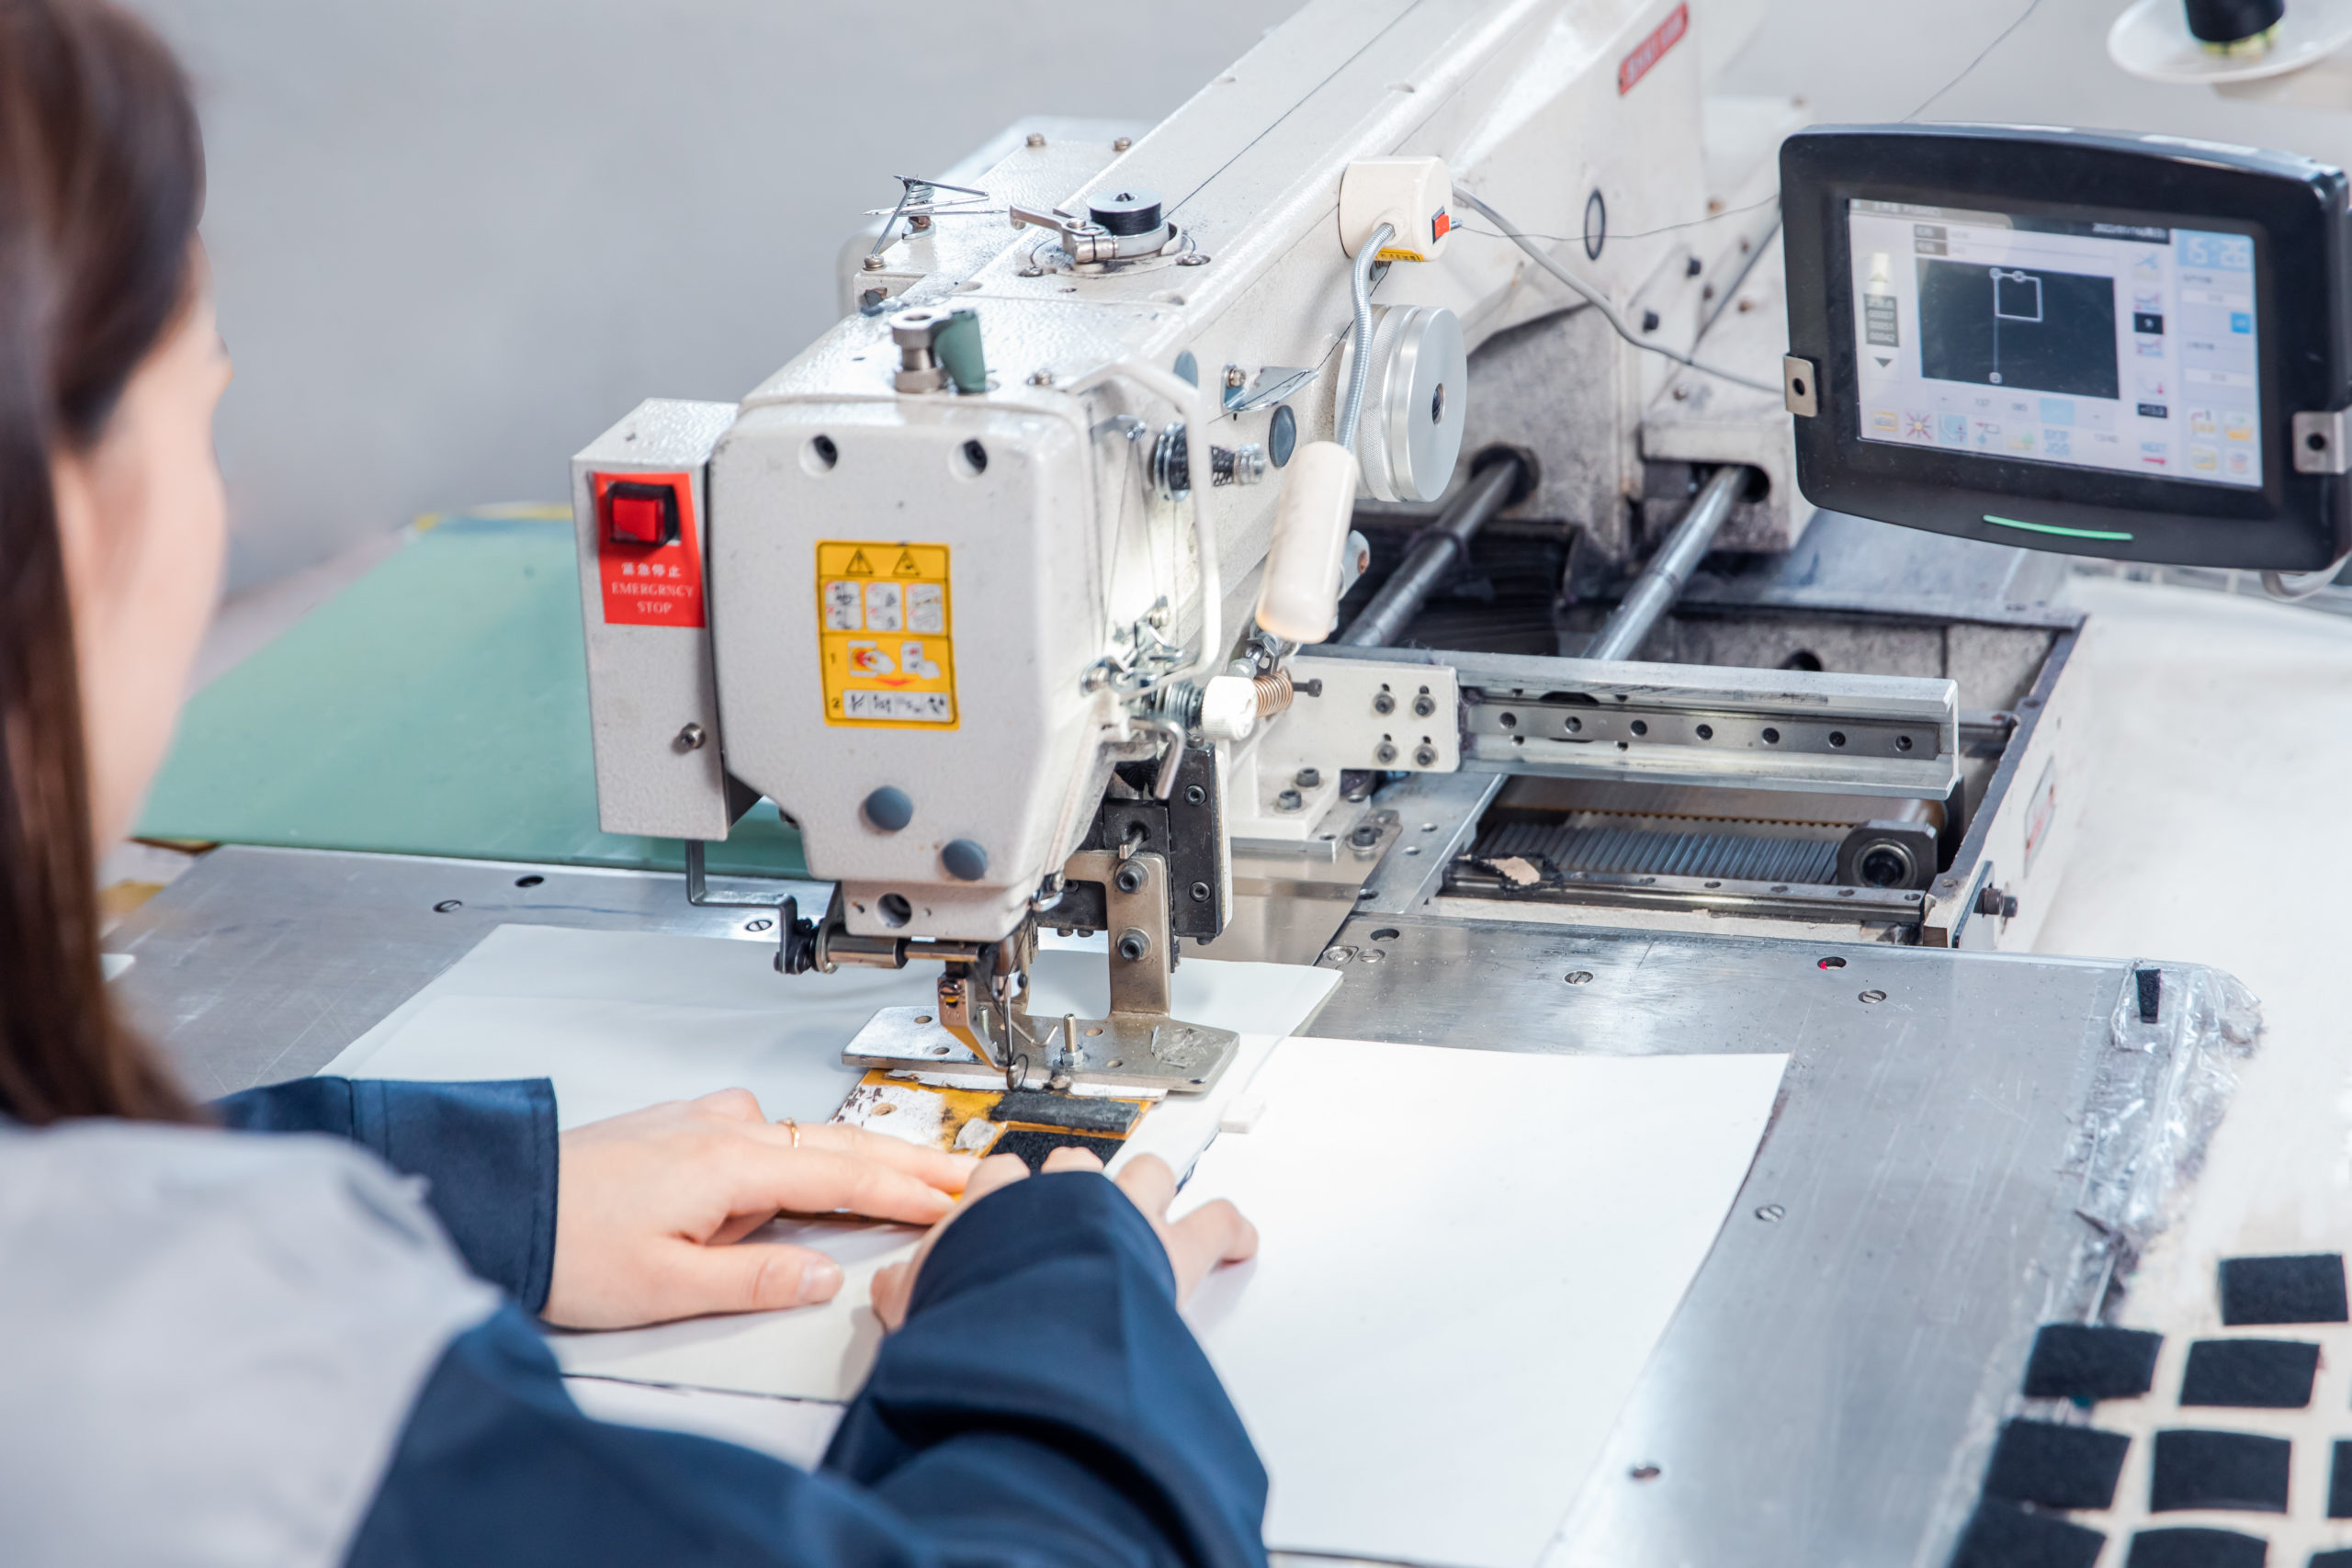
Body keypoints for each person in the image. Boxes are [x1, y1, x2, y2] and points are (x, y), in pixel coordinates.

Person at [0, 2, 1268, 1563]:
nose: (229, 497)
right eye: (200, 415)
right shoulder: (194, 1379)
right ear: (66, 517)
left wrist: (476, 1199)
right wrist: (1063, 1334)